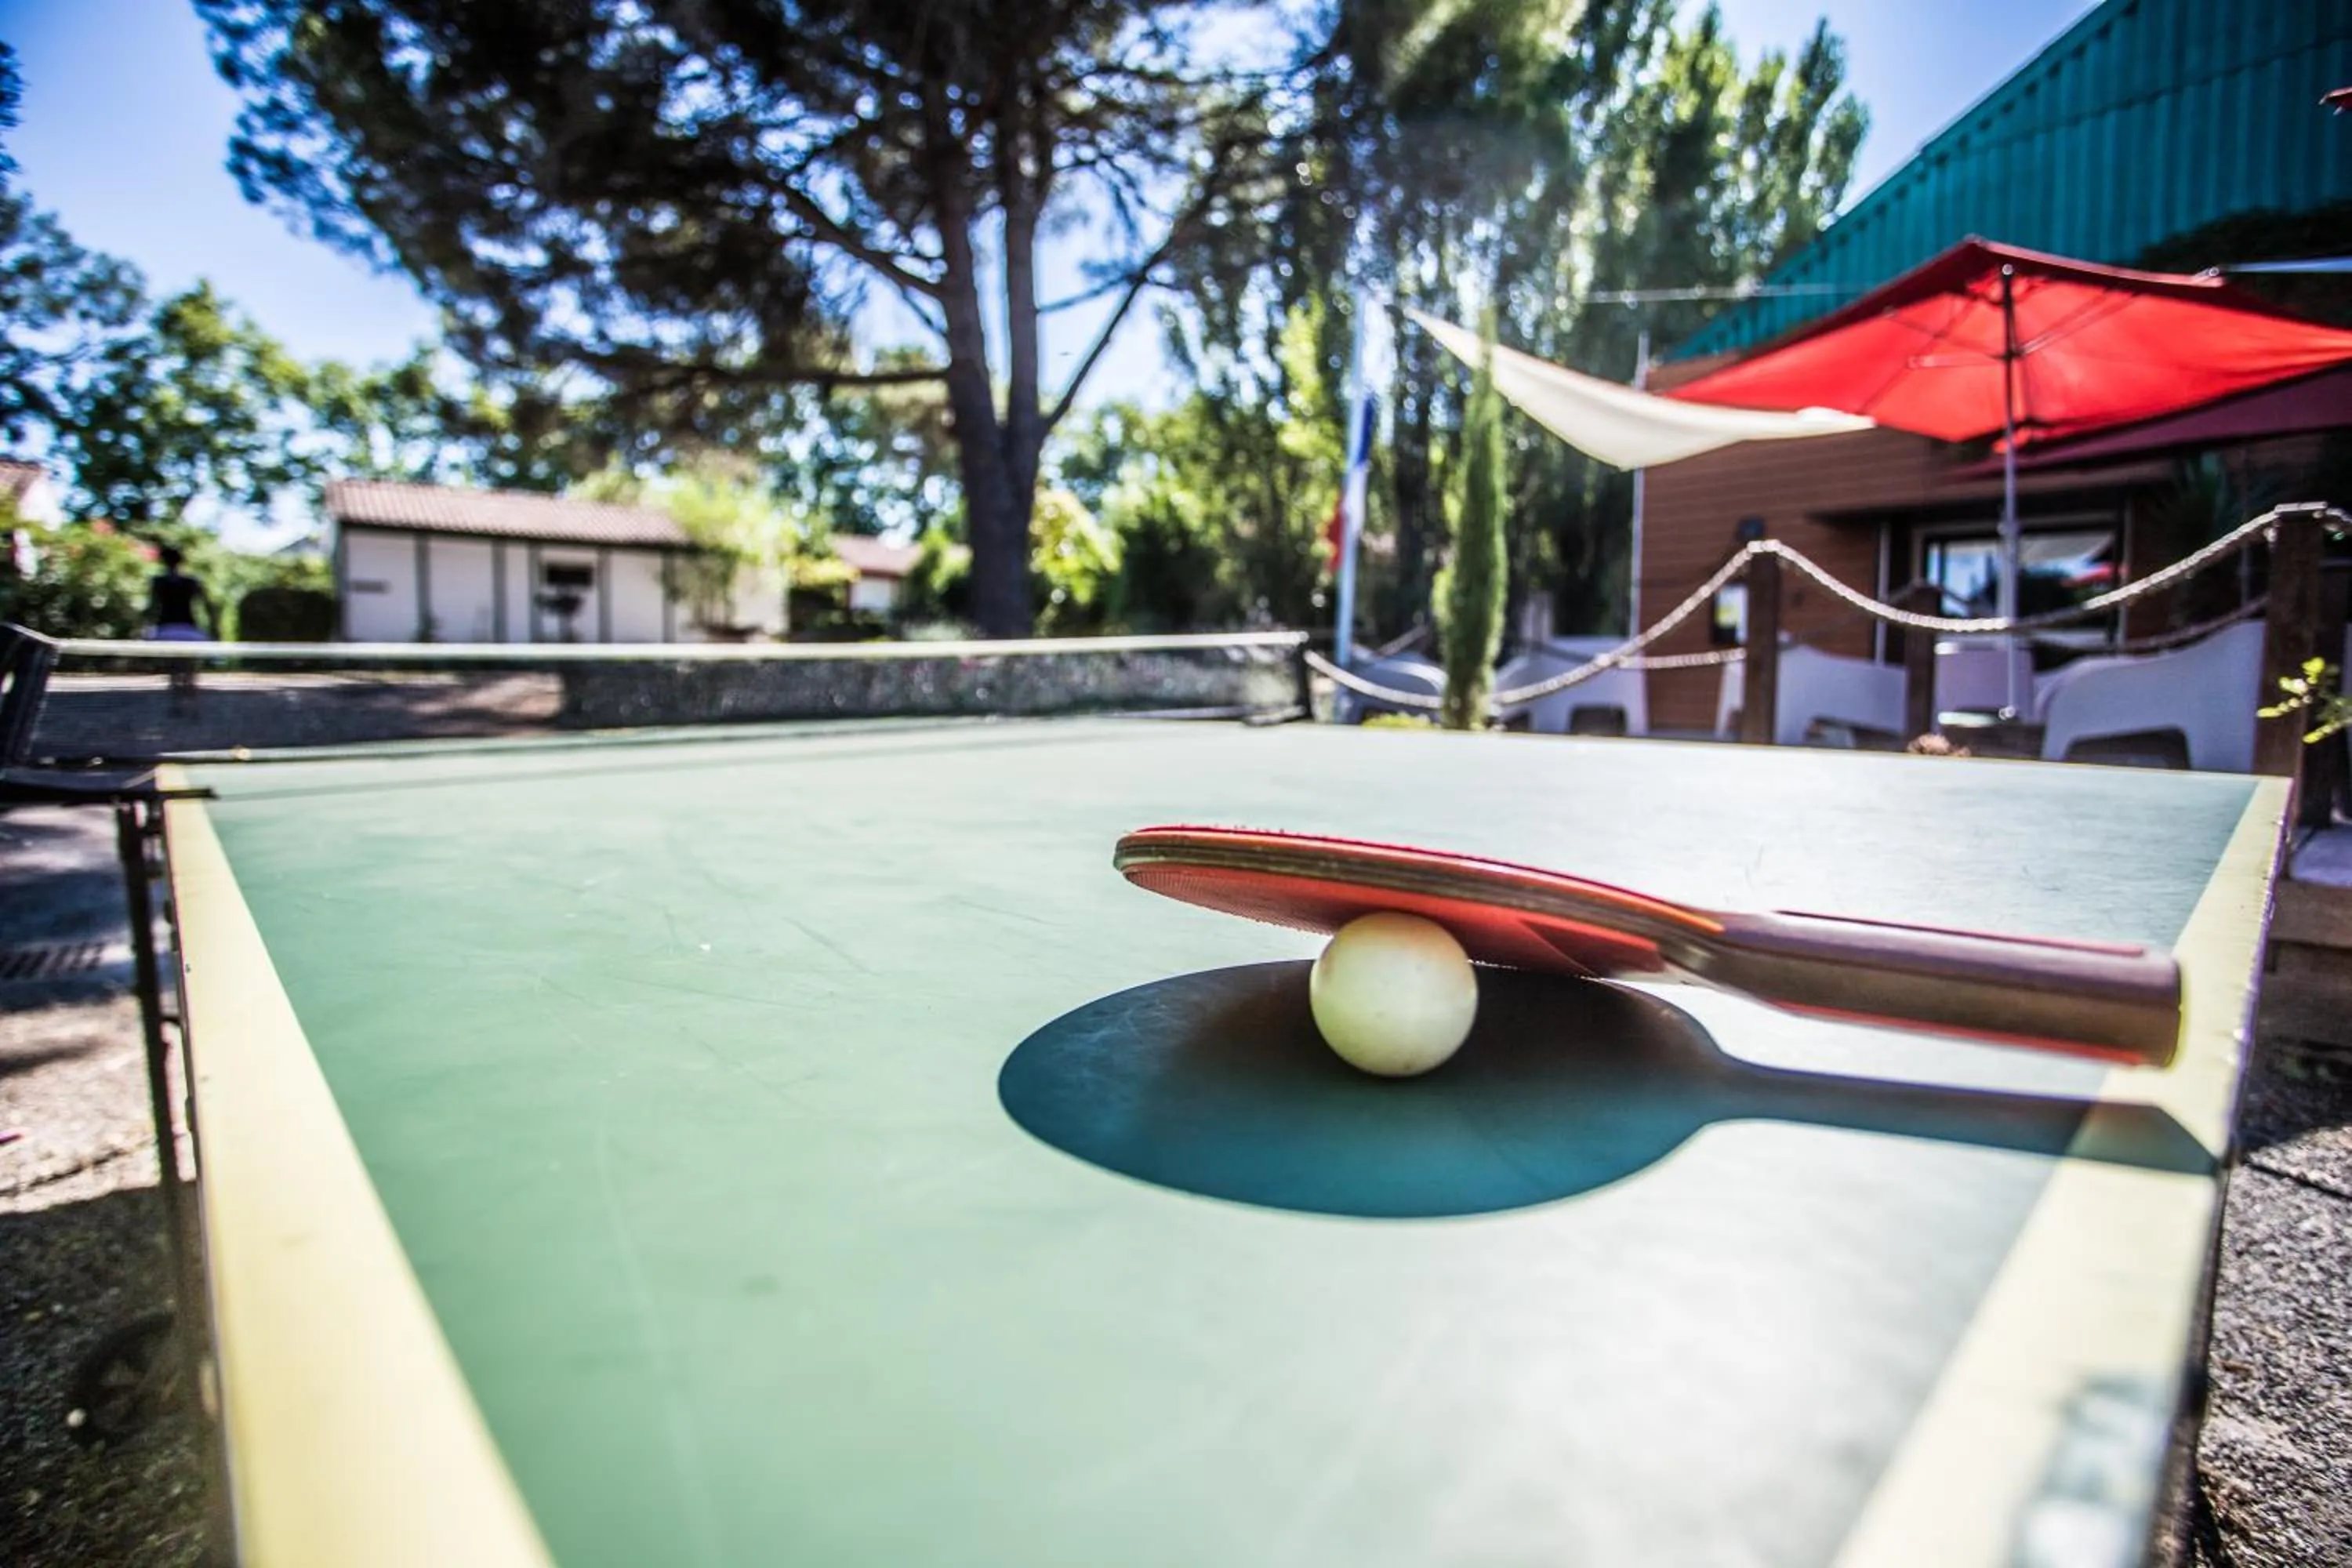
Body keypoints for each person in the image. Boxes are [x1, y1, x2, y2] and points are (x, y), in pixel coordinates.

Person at [145, 545, 212, 704]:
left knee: (173, 668)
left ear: (163, 562)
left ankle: (176, 702)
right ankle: (191, 703)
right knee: (190, 669)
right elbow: (208, 606)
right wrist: (214, 628)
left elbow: (152, 608)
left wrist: (145, 627)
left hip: (166, 629)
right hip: (189, 630)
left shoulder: (158, 582)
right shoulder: (193, 581)